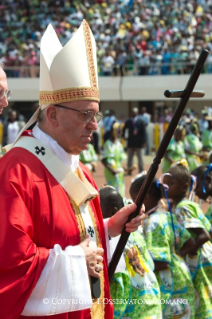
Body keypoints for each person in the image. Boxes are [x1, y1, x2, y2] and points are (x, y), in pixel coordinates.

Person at [0, 21, 144, 319]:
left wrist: (109, 227)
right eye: (85, 115)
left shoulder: (76, 166)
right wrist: (77, 261)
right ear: (52, 114)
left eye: (97, 114)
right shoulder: (16, 171)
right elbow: (9, 267)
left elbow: (72, 235)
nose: (95, 125)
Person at [130, 174, 196, 319]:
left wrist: (137, 271)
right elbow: (190, 243)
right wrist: (175, 256)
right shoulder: (166, 215)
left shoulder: (153, 223)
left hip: (170, 284)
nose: (133, 206)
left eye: (134, 200)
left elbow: (161, 261)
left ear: (145, 198)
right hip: (180, 276)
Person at [99, 186, 162, 319]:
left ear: (114, 212)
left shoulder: (109, 241)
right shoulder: (136, 235)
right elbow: (150, 265)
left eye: (97, 210)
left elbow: (115, 284)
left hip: (132, 309)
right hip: (151, 301)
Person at [164, 162, 212, 319]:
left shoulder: (183, 208)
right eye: (165, 183)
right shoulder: (187, 205)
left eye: (171, 184)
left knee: (202, 298)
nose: (166, 187)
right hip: (202, 257)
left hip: (199, 261)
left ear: (185, 187)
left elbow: (204, 235)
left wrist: (179, 254)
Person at [102, 122, 126, 197]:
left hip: (119, 172)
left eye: (121, 131)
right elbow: (103, 160)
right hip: (111, 172)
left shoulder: (119, 144)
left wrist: (126, 169)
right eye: (118, 131)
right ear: (113, 131)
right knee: (114, 191)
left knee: (121, 190)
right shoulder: (108, 144)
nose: (120, 133)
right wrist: (112, 170)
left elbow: (119, 161)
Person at [123, 107, 146, 174]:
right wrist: (124, 137)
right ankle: (129, 171)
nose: (133, 113)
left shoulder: (141, 121)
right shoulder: (128, 121)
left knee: (140, 158)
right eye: (132, 112)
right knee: (130, 158)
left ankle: (141, 171)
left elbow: (144, 133)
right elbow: (124, 129)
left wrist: (144, 142)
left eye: (135, 112)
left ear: (137, 113)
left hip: (139, 143)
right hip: (130, 142)